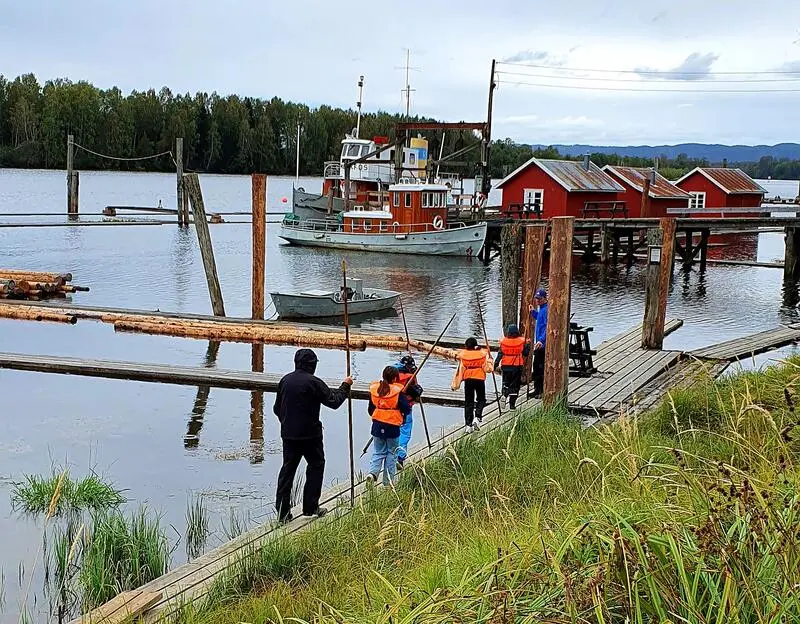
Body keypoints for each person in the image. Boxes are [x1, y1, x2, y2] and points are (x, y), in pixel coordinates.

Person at [273, 348, 353, 524]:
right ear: (312, 365)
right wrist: (345, 386)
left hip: (289, 435)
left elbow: (276, 409)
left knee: (287, 471)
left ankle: (282, 514)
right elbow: (334, 402)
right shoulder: (314, 382)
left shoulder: (285, 380)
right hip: (310, 435)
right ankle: (310, 507)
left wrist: (287, 422)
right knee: (316, 465)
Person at [367, 366, 411, 486]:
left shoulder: (376, 390)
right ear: (395, 378)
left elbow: (370, 410)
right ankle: (388, 482)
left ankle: (373, 473)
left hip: (376, 425)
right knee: (392, 453)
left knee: (378, 451)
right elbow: (406, 409)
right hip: (392, 426)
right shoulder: (397, 392)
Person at [392, 355, 423, 470]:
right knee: (405, 433)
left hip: (392, 408)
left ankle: (390, 457)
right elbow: (415, 390)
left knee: (392, 433)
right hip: (406, 408)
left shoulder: (391, 374)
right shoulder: (411, 377)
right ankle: (400, 458)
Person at [457, 337, 491, 432]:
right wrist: (490, 359)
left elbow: (461, 369)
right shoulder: (482, 354)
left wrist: (457, 382)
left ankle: (468, 425)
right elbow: (487, 368)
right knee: (481, 399)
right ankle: (478, 416)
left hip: (468, 379)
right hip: (479, 378)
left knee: (468, 402)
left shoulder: (464, 355)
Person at [494, 324, 530, 410]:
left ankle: (504, 394)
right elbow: (525, 353)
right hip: (517, 367)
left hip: (505, 366)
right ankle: (512, 405)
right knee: (515, 386)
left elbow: (499, 355)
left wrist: (495, 364)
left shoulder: (504, 343)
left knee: (506, 383)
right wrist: (527, 345)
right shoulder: (521, 342)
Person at [529, 289, 549, 399]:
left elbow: (547, 326)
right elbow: (540, 319)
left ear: (545, 298)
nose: (537, 301)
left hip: (542, 344)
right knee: (536, 367)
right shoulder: (541, 309)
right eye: (536, 299)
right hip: (539, 343)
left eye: (539, 299)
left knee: (539, 367)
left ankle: (540, 390)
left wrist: (542, 340)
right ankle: (537, 389)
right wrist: (533, 312)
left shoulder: (546, 310)